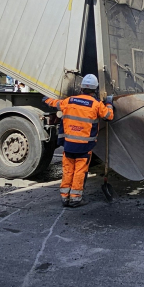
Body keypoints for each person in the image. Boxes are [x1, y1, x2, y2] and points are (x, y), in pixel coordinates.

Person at [43, 74, 113, 208]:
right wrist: (109, 103)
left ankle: (65, 197)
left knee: (68, 171)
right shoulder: (96, 105)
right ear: (95, 89)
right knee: (79, 172)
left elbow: (55, 103)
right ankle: (75, 199)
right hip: (84, 147)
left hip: (68, 145)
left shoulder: (69, 101)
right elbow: (109, 116)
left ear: (81, 88)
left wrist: (46, 99)